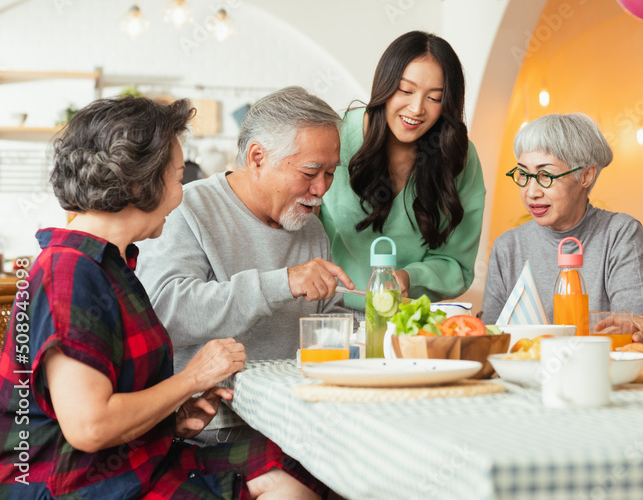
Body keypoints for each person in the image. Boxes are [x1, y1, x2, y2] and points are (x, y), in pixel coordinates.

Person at [0, 96, 324, 498]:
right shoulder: (69, 272)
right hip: (82, 483)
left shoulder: (111, 264)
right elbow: (90, 426)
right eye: (175, 178)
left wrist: (171, 420)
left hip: (138, 457)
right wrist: (194, 377)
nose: (181, 194)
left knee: (293, 471)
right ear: (138, 183)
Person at [137, 86, 353, 442]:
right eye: (311, 171)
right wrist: (282, 283)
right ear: (257, 157)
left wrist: (381, 325)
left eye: (330, 173)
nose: (321, 189)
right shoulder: (188, 210)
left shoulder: (311, 227)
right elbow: (166, 313)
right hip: (212, 429)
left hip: (299, 422)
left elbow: (328, 322)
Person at [318, 31, 486, 311]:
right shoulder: (336, 137)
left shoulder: (459, 158)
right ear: (384, 85)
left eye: (434, 98)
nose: (417, 108)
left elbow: (457, 263)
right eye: (406, 91)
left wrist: (410, 278)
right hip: (332, 312)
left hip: (408, 317)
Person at [482, 113, 643, 342]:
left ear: (586, 176)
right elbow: (488, 341)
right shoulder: (508, 246)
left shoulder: (619, 233)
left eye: (545, 175)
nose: (531, 192)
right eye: (524, 174)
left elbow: (638, 335)